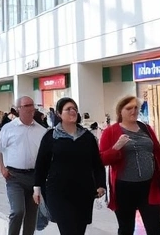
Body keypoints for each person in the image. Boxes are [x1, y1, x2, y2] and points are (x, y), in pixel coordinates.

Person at [99, 95, 160, 235]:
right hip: (124, 188)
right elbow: (102, 159)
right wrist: (116, 147)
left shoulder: (146, 129)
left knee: (154, 227)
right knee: (126, 228)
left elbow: (158, 151)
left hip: (150, 185)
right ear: (120, 111)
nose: (134, 111)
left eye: (136, 108)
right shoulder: (111, 131)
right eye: (129, 108)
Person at [34, 97, 106, 235]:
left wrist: (101, 184)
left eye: (75, 109)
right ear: (59, 114)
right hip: (59, 192)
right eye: (68, 109)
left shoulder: (87, 137)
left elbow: (97, 163)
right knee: (68, 230)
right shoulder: (51, 136)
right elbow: (41, 164)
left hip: (84, 191)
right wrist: (37, 188)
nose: (72, 111)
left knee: (79, 230)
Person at [0, 95, 47, 235]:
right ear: (18, 109)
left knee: (31, 216)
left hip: (34, 178)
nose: (31, 109)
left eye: (32, 105)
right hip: (14, 177)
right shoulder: (8, 128)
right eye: (26, 106)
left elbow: (46, 156)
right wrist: (2, 169)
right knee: (17, 211)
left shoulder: (41, 131)